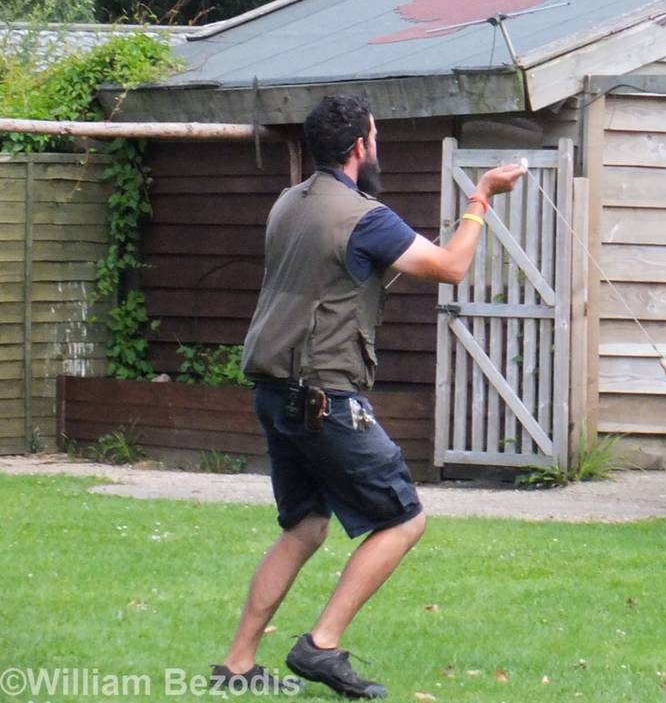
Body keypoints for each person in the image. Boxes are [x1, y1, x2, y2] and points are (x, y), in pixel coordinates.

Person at [209, 95, 524, 699]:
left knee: (304, 527)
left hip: (274, 392)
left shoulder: (288, 203)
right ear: (360, 146)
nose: (377, 147)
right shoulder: (363, 216)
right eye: (375, 137)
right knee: (403, 520)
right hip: (324, 399)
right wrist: (481, 198)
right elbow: (451, 267)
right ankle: (321, 645)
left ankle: (238, 664)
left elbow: (337, 273)